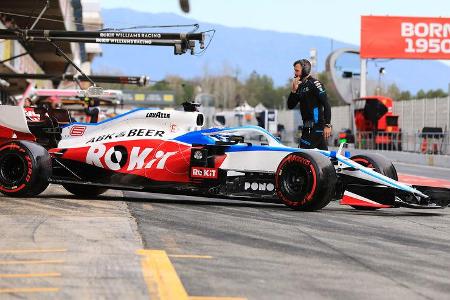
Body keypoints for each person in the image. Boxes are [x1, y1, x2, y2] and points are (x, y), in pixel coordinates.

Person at [287, 59, 332, 150]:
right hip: (307, 128)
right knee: (323, 157)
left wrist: (327, 125)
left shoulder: (315, 84)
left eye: (297, 71)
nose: (295, 73)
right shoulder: (299, 86)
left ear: (305, 70)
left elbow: (326, 104)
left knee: (302, 155)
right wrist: (294, 90)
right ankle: (331, 163)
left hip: (316, 127)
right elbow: (290, 105)